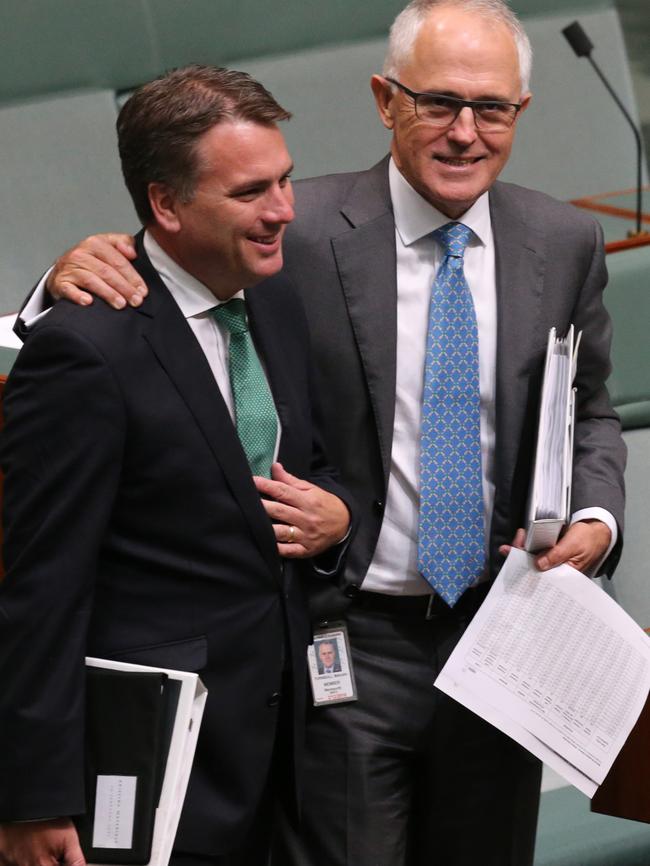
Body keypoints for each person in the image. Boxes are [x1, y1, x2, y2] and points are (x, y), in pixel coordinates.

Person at [14, 1, 627, 864]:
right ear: (386, 100)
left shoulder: (563, 241)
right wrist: (59, 280)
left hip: (502, 639)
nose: (465, 132)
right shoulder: (292, 239)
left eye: (492, 108)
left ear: (520, 112)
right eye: (437, 102)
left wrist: (598, 519)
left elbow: (590, 408)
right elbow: (169, 264)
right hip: (345, 648)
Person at [0, 65, 355, 866]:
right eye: (250, 193)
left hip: (286, 755)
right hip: (157, 771)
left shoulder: (275, 299)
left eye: (286, 181)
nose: (283, 212)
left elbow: (317, 467)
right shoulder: (86, 350)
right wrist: (33, 796)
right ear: (166, 204)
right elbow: (42, 592)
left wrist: (338, 518)